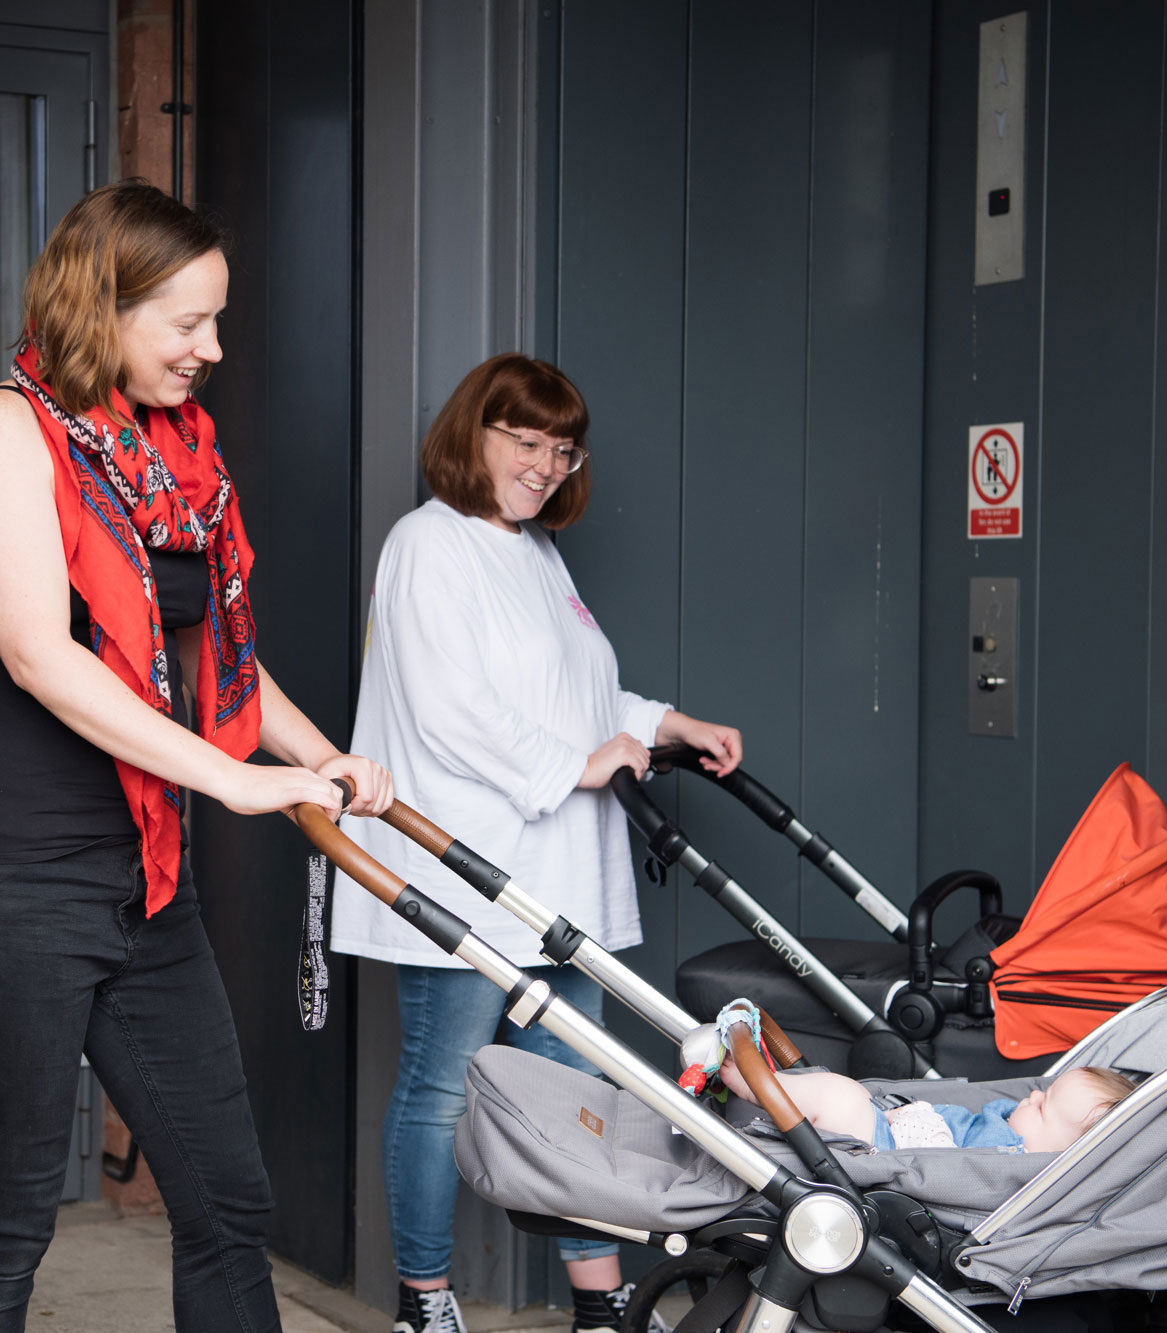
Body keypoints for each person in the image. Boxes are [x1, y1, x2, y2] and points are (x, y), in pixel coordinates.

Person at [0, 180, 394, 1332]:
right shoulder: (0, 431)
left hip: (146, 878)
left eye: (217, 320)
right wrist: (231, 778)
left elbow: (213, 654)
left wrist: (322, 756)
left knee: (227, 1198)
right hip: (13, 875)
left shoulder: (170, 452)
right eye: (187, 323)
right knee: (9, 1216)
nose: (212, 349)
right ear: (102, 306)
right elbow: (42, 655)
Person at [330, 353, 743, 1333]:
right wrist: (577, 765)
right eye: (526, 442)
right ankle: (424, 1301)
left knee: (571, 1095)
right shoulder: (427, 545)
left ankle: (598, 1305)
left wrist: (661, 725)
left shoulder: (535, 554)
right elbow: (449, 712)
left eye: (562, 449)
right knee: (441, 1087)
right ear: (474, 435)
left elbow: (575, 702)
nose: (547, 464)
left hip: (557, 882)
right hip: (466, 871)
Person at [681, 1023, 1135, 1154]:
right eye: (1043, 1091)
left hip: (884, 1157)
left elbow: (947, 1171)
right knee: (842, 1093)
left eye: (1043, 1108)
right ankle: (762, 1083)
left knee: (844, 1095)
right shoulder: (1012, 1125)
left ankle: (753, 1082)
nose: (1033, 1095)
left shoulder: (1009, 1156)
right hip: (889, 1129)